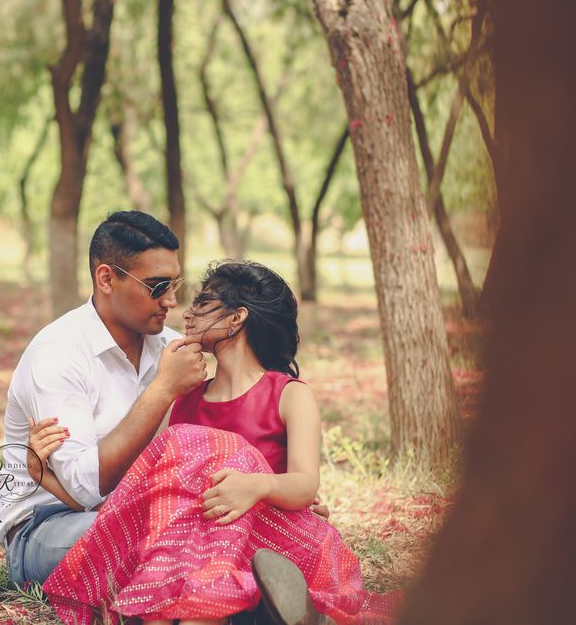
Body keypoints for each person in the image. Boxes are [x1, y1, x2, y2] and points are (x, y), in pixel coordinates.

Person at [37, 261, 392, 625]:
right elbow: (142, 489)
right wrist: (41, 474)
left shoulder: (288, 395)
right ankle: (247, 606)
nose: (185, 313)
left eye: (202, 304)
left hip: (265, 541)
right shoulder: (184, 401)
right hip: (199, 550)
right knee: (185, 529)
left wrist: (257, 485)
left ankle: (263, 598)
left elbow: (305, 484)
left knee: (219, 456)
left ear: (237, 318)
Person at [0, 211, 208, 590]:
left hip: (145, 511)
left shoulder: (168, 347)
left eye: (175, 284)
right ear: (106, 278)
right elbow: (85, 488)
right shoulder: (56, 354)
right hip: (48, 526)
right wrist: (163, 389)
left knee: (211, 529)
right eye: (157, 287)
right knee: (155, 540)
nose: (172, 300)